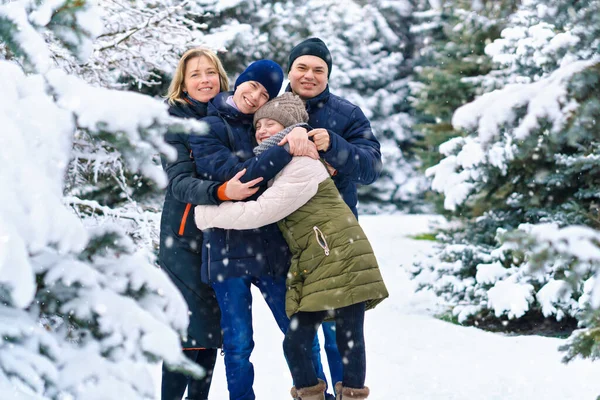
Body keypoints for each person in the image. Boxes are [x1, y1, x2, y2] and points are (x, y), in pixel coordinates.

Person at [194, 92, 389, 400]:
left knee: (346, 338)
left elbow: (259, 212)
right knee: (301, 342)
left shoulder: (301, 163)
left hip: (340, 255)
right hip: (319, 259)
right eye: (258, 126)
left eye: (270, 124)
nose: (261, 131)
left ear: (287, 126)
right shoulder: (283, 163)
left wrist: (206, 213)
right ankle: (315, 395)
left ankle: (347, 395)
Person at [188, 60, 328, 400]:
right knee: (237, 343)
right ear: (239, 83)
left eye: (264, 93)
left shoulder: (262, 126)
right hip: (226, 250)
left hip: (270, 248)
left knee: (301, 332)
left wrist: (291, 134)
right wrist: (286, 143)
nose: (254, 96)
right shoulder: (207, 126)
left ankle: (319, 396)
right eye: (251, 86)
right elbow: (239, 175)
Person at [159, 47, 262, 400]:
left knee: (212, 332)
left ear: (221, 78)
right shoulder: (176, 122)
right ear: (183, 84)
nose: (204, 80)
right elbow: (179, 182)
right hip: (184, 236)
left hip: (221, 236)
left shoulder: (234, 114)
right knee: (187, 332)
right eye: (195, 74)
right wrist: (222, 190)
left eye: (210, 72)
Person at [285, 37, 384, 397]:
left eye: (318, 70)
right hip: (287, 239)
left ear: (328, 75)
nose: (309, 75)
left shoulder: (347, 113)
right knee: (299, 335)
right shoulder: (268, 109)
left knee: (341, 333)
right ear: (290, 69)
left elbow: (371, 166)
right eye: (302, 67)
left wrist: (336, 146)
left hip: (335, 240)